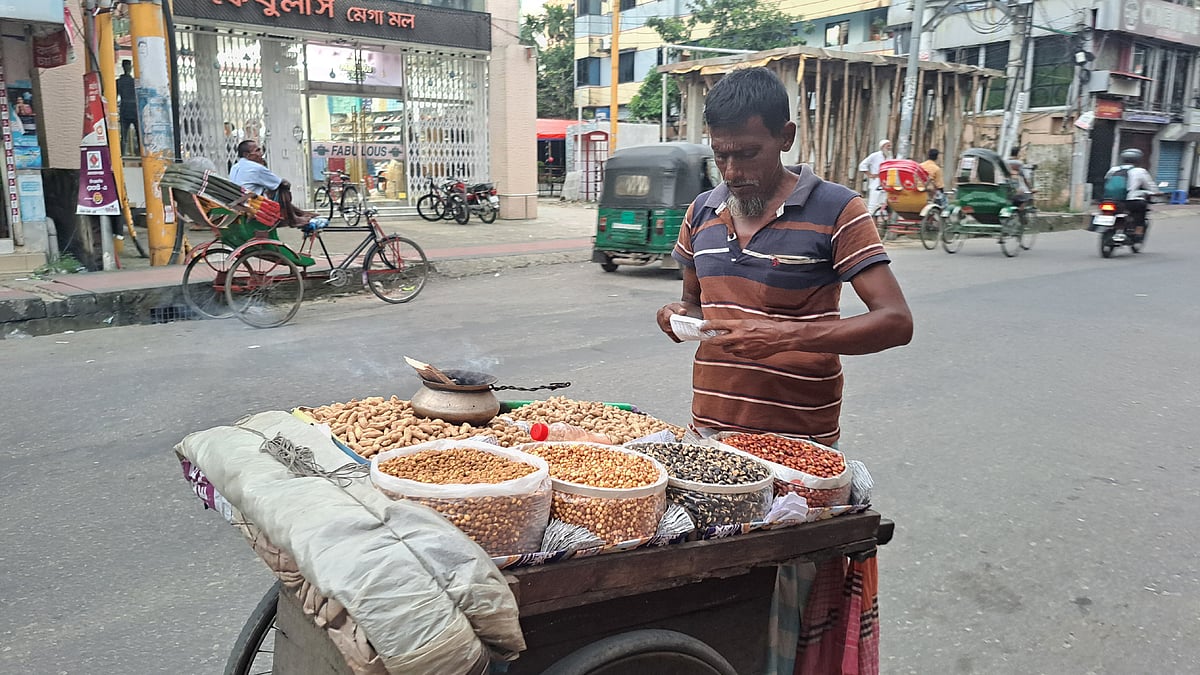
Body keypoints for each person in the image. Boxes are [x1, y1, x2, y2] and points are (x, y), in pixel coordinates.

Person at [655, 67, 913, 674]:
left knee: (788, 609)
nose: (734, 170)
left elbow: (896, 321)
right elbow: (693, 304)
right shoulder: (701, 212)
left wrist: (786, 334)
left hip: (799, 447)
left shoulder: (837, 210)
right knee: (718, 603)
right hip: (711, 443)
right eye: (722, 155)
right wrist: (673, 316)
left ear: (786, 136)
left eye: (748, 152)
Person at [229, 139, 312, 227]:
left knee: (273, 188)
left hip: (239, 202)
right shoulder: (256, 168)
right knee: (282, 188)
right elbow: (282, 183)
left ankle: (299, 213)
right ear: (247, 155)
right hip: (253, 205)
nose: (261, 154)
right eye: (257, 150)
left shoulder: (235, 167)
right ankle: (293, 219)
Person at [1103, 148, 1158, 240]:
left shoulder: (1113, 169)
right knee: (1141, 209)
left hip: (1109, 200)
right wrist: (1156, 192)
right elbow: (1150, 186)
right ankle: (1138, 231)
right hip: (1129, 201)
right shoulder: (1140, 171)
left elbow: (1106, 181)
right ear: (1138, 160)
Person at [858, 139, 891, 214]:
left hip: (886, 183)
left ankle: (879, 223)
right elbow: (863, 165)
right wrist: (869, 174)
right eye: (888, 146)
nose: (889, 148)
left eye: (890, 146)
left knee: (882, 205)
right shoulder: (875, 155)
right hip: (876, 181)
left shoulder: (890, 157)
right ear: (882, 147)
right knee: (873, 204)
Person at [116, 60, 140, 156]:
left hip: (127, 109)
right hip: (131, 109)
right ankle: (125, 155)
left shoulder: (119, 82)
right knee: (126, 135)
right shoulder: (134, 82)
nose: (128, 68)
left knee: (125, 135)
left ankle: (123, 155)